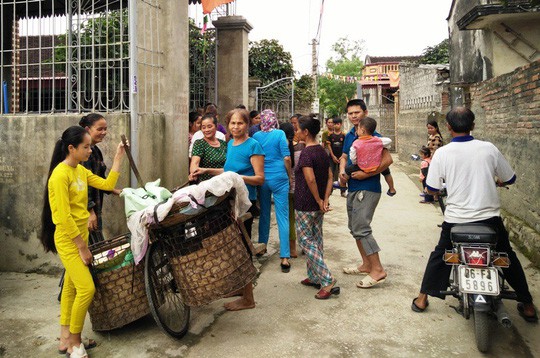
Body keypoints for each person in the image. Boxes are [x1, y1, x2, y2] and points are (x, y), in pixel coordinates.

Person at [411, 107, 537, 322]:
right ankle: (527, 304)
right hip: (489, 220)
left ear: (448, 128)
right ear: (473, 125)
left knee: (440, 255)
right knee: (506, 256)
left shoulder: (442, 153)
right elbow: (510, 178)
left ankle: (422, 299)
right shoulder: (488, 149)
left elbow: (431, 187)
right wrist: (498, 181)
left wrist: (438, 189)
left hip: (456, 221)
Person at [40, 126, 126, 357]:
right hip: (69, 241)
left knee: (70, 287)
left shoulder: (80, 170)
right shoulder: (60, 175)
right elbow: (61, 217)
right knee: (86, 288)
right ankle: (75, 343)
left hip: (80, 237)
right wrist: (82, 247)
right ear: (71, 148)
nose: (90, 150)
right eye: (86, 147)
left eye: (90, 146)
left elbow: (107, 185)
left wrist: (119, 156)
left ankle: (65, 339)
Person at [339, 99, 392, 288]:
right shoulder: (350, 135)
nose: (353, 116)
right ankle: (366, 264)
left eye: (357, 112)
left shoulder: (374, 137)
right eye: (350, 113)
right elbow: (344, 157)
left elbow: (388, 160)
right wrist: (342, 171)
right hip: (352, 187)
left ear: (365, 113)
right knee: (354, 228)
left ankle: (377, 270)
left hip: (368, 188)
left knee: (362, 227)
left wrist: (366, 173)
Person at [222, 108, 264, 311]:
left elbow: (259, 178)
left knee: (243, 250)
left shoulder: (253, 145)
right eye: (232, 123)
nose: (236, 127)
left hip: (245, 204)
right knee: (234, 249)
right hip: (230, 204)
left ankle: (249, 298)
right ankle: (240, 288)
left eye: (240, 123)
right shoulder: (230, 143)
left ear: (247, 125)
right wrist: (204, 170)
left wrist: (236, 178)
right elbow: (228, 171)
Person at [294, 115, 337, 299]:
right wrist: (324, 199)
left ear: (305, 132)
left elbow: (310, 179)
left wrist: (319, 200)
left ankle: (326, 279)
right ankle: (314, 276)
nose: (296, 132)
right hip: (318, 204)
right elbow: (329, 177)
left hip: (306, 203)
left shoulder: (306, 153)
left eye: (297, 128)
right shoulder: (321, 151)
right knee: (316, 238)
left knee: (305, 240)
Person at [253, 109, 292, 272]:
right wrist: (289, 176)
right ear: (274, 120)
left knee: (264, 215)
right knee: (282, 216)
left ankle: (262, 248)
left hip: (262, 179)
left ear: (262, 121)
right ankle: (284, 257)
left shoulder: (256, 137)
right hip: (280, 178)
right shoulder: (280, 134)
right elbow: (287, 157)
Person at [79, 114, 122, 244]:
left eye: (105, 129)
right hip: (86, 214)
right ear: (87, 130)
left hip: (96, 210)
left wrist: (116, 191)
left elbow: (100, 181)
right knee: (93, 251)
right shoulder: (83, 155)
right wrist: (90, 212)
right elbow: (83, 186)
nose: (104, 132)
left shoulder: (95, 151)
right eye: (100, 129)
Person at [189, 114, 227, 183]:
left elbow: (229, 168)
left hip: (225, 184)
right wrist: (193, 173)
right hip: (206, 186)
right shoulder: (199, 144)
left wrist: (206, 170)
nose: (206, 130)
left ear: (216, 126)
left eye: (209, 127)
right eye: (203, 127)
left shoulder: (224, 144)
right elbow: (195, 162)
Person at [280, 121, 299, 258]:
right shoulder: (301, 148)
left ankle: (292, 249)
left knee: (289, 219)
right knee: (302, 218)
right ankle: (306, 245)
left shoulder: (279, 148)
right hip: (301, 188)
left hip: (286, 187)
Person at [327, 117, 346, 197]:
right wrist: (333, 156)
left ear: (341, 124)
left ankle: (343, 191)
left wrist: (342, 156)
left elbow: (345, 146)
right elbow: (329, 146)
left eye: (337, 124)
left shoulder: (344, 135)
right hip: (332, 157)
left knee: (342, 174)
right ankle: (330, 191)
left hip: (342, 157)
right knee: (330, 174)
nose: (335, 125)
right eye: (334, 124)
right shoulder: (330, 135)